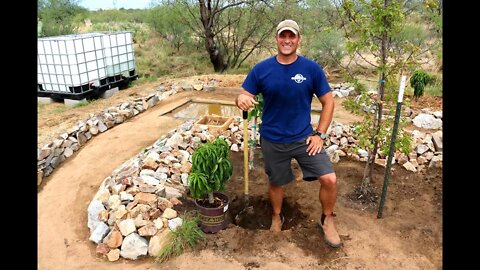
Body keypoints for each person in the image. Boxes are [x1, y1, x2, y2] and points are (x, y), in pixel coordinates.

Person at [235, 19, 341, 248]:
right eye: (283, 36)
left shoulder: (311, 69)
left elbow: (328, 101)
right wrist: (241, 99)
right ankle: (276, 216)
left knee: (329, 179)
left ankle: (327, 219)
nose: (287, 40)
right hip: (273, 139)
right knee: (277, 183)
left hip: (304, 138)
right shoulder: (261, 69)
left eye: (291, 36)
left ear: (298, 39)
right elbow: (243, 95)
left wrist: (319, 134)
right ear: (276, 39)